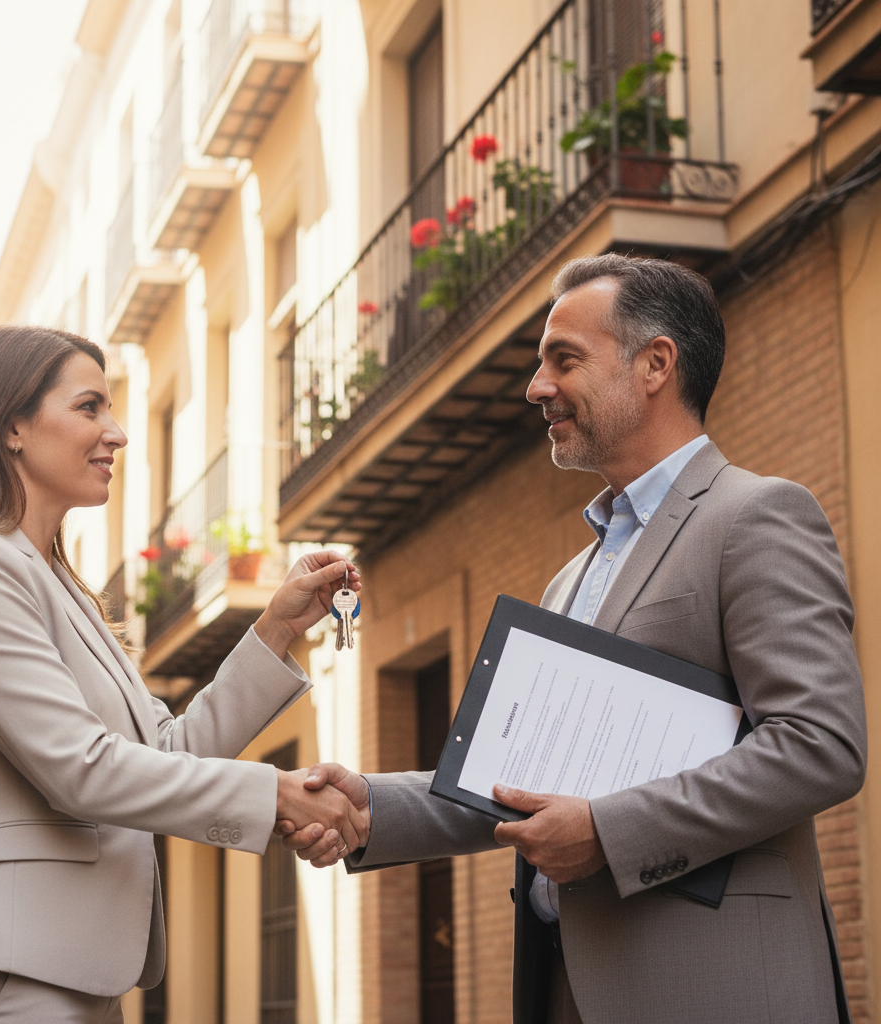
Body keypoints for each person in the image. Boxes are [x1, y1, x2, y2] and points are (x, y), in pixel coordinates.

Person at [278, 255, 867, 1024]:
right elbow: (517, 781)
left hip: (715, 988)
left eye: (565, 360)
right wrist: (371, 807)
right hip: (567, 990)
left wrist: (606, 831)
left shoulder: (757, 516)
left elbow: (820, 744)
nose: (537, 387)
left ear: (656, 364)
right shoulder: (569, 578)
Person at [0, 325, 366, 1024]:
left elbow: (161, 754)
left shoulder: (62, 589)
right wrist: (277, 795)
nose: (117, 433)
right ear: (12, 426)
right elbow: (82, 768)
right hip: (9, 974)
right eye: (89, 408)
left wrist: (278, 628)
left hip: (72, 973)